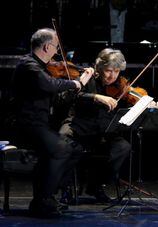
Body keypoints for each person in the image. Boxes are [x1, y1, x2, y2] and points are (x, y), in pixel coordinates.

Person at [11, 28, 95, 217]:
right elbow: (50, 85)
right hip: (26, 125)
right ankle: (43, 201)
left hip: (39, 125)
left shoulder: (41, 68)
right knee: (61, 149)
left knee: (74, 149)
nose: (57, 52)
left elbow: (56, 98)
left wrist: (78, 85)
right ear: (48, 46)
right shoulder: (28, 65)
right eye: (56, 47)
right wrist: (76, 83)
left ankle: (45, 196)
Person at [59, 48, 135, 203]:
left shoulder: (120, 85)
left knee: (122, 147)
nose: (112, 75)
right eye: (108, 70)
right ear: (99, 68)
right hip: (79, 127)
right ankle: (64, 188)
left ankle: (96, 185)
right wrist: (96, 97)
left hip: (102, 131)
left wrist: (149, 103)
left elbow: (134, 96)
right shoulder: (87, 78)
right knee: (64, 141)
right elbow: (72, 96)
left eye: (116, 71)